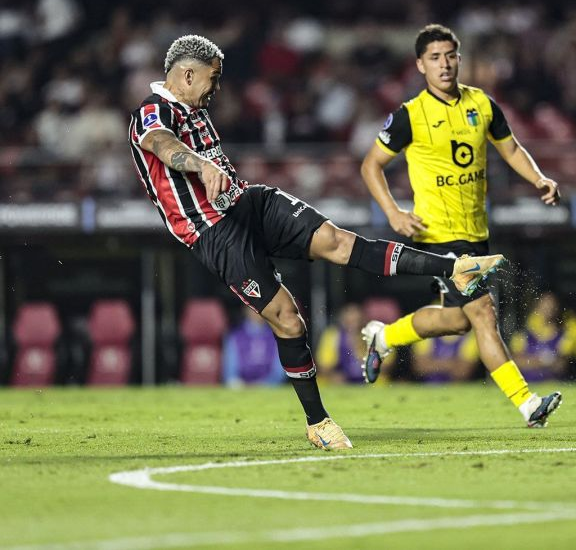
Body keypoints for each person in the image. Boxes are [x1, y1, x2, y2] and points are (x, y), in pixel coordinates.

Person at [128, 34, 504, 450]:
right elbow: (161, 144)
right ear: (186, 74)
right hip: (214, 231)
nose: (216, 90)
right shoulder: (152, 111)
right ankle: (318, 423)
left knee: (339, 242)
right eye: (212, 80)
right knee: (289, 320)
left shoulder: (196, 108)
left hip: (248, 202)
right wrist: (197, 164)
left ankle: (455, 267)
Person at [359, 24, 562, 428]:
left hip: (476, 234)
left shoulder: (483, 105)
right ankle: (527, 405)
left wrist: (538, 178)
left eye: (450, 55)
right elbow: (370, 166)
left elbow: (512, 149)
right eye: (434, 58)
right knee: (484, 313)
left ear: (459, 58)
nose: (445, 64)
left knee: (456, 321)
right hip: (438, 237)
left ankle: (385, 337)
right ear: (420, 65)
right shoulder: (410, 116)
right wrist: (394, 213)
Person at [509, 291, 576, 382]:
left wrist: (530, 361)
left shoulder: (565, 336)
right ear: (537, 307)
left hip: (554, 384)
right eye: (545, 305)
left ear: (557, 308)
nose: (548, 310)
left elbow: (561, 365)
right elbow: (514, 362)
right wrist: (544, 361)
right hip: (527, 384)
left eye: (552, 306)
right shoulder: (523, 334)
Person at [316, 303, 393, 384]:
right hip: (342, 383)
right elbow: (324, 367)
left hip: (370, 382)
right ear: (342, 321)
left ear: (364, 320)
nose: (354, 327)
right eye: (349, 322)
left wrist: (363, 353)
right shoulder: (333, 336)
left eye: (357, 322)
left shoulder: (377, 336)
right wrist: (334, 375)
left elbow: (387, 367)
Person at [222, 306, 284, 387]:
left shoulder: (276, 337)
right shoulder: (235, 337)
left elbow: (278, 373)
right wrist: (238, 384)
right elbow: (230, 371)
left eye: (260, 309)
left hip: (268, 388)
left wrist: (264, 384)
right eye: (252, 308)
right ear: (245, 310)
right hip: (240, 388)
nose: (256, 312)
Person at [411, 330, 480, 383]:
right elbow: (420, 367)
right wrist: (453, 364)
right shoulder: (427, 333)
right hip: (427, 386)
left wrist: (432, 363)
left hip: (456, 388)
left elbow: (462, 372)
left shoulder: (470, 337)